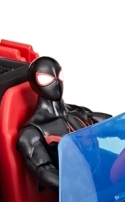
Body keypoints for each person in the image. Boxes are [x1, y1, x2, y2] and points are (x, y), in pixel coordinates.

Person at [17, 56, 110, 190]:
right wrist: (80, 189)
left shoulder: (80, 113)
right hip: (77, 196)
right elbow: (45, 172)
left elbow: (116, 124)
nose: (56, 82)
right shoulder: (33, 132)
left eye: (59, 75)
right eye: (46, 79)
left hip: (106, 186)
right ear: (34, 83)